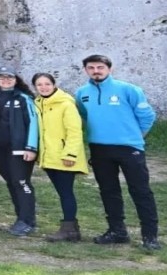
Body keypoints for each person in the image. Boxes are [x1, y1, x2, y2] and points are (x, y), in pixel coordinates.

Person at [75, 54, 159, 250]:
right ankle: (117, 231)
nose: (96, 71)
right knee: (109, 191)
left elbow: (147, 116)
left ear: (109, 69)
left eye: (100, 67)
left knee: (140, 191)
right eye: (91, 68)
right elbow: (84, 116)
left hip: (129, 148)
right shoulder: (81, 93)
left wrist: (136, 137)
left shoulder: (128, 89)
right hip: (99, 149)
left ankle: (150, 236)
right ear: (86, 70)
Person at [33, 72, 87, 242]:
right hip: (49, 157)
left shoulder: (66, 104)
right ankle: (72, 229)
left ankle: (69, 229)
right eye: (39, 84)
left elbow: (74, 131)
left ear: (54, 84)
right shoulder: (38, 103)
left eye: (47, 84)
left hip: (64, 157)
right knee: (62, 192)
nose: (44, 87)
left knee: (66, 193)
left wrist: (70, 153)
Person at [0, 65, 40, 236]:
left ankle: (28, 221)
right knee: (11, 182)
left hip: (19, 149)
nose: (5, 80)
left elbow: (33, 122)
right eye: (1, 77)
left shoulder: (23, 98)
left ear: (16, 79)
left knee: (21, 182)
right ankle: (20, 217)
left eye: (9, 77)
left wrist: (31, 147)